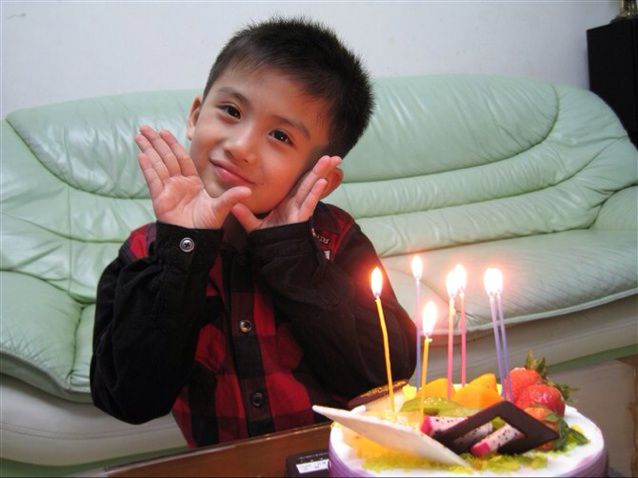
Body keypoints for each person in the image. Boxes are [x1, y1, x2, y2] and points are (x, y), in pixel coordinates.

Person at [90, 16, 416, 448]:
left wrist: (292, 260)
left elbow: (386, 373)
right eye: (231, 111)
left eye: (280, 135)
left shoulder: (335, 241)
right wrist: (182, 253)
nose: (241, 146)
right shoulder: (147, 252)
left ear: (318, 178)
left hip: (339, 460)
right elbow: (129, 399)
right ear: (195, 115)